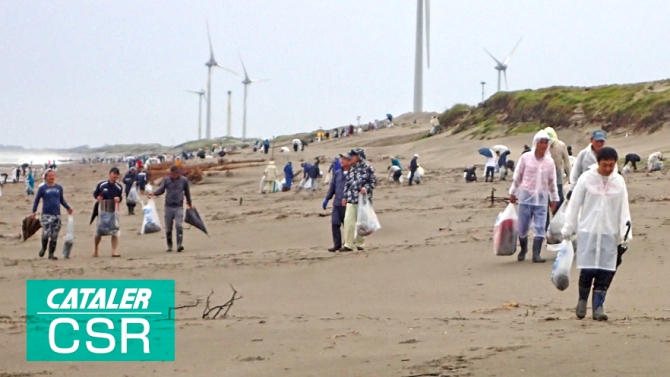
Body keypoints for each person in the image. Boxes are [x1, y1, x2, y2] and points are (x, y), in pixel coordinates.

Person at [561, 147, 632, 321]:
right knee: (588, 269)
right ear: (598, 163)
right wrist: (568, 228)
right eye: (604, 165)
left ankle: (599, 306)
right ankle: (582, 300)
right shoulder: (587, 179)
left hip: (610, 232)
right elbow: (574, 205)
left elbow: (624, 208)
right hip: (588, 231)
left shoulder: (619, 182)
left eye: (611, 165)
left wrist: (625, 232)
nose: (608, 169)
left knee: (606, 271)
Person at [509, 130, 559, 263]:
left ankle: (536, 254)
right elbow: (518, 176)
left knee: (540, 226)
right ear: (535, 143)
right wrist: (513, 192)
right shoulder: (526, 158)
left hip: (542, 199)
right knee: (523, 227)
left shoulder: (549, 162)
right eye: (541, 142)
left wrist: (554, 198)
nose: (543, 145)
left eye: (545, 142)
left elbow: (552, 181)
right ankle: (523, 249)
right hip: (526, 197)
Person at [32, 170, 73, 260]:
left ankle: (51, 254)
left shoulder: (59, 188)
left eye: (53, 175)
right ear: (46, 177)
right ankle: (43, 248)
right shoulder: (42, 188)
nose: (52, 177)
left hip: (57, 215)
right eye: (50, 176)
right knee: (46, 233)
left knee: (54, 235)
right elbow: (37, 200)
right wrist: (34, 211)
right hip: (46, 215)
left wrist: (68, 207)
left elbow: (61, 200)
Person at [150, 165, 193, 252]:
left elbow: (187, 192)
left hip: (179, 206)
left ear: (178, 173)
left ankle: (179, 244)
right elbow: (161, 190)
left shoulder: (184, 180)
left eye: (174, 175)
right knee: (168, 227)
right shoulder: (166, 180)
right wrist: (154, 193)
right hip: (168, 206)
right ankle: (169, 245)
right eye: (171, 174)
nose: (172, 176)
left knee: (179, 225)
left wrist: (189, 203)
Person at [342, 148, 377, 251]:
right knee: (348, 221)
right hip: (351, 199)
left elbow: (373, 182)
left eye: (353, 155)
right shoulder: (352, 168)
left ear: (359, 157)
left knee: (362, 222)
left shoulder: (368, 168)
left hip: (363, 200)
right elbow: (347, 183)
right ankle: (348, 244)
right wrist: (345, 197)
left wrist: (365, 188)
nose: (351, 157)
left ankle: (360, 244)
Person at [93, 167, 123, 258]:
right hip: (102, 209)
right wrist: (97, 197)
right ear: (110, 174)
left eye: (117, 174)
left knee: (115, 231)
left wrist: (119, 199)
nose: (115, 176)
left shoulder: (119, 187)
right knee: (99, 231)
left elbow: (120, 197)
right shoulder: (102, 185)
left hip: (113, 210)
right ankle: (96, 249)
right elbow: (95, 194)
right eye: (114, 173)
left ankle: (114, 251)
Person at [324, 153, 350, 252]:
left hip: (348, 204)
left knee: (347, 225)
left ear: (349, 161)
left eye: (344, 159)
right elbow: (332, 187)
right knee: (335, 224)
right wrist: (327, 198)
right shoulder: (337, 173)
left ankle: (348, 244)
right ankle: (337, 245)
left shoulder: (353, 173)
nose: (341, 161)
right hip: (337, 203)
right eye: (341, 159)